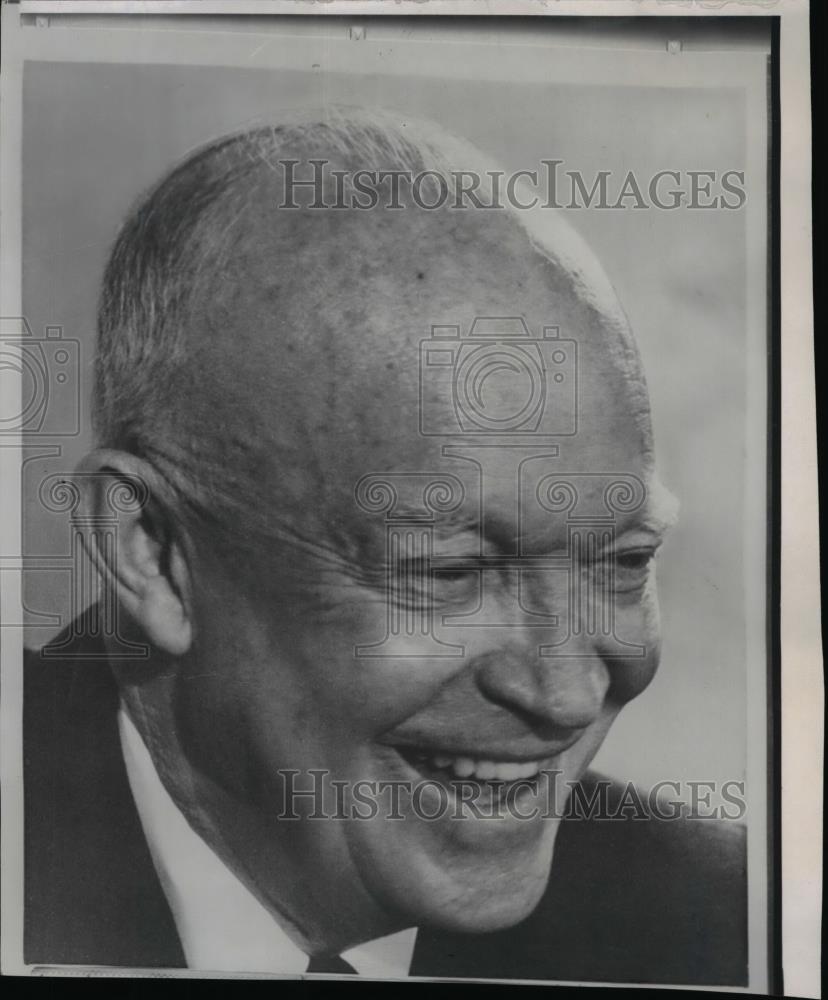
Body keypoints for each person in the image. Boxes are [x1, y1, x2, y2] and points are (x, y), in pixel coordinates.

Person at [24, 108, 746, 983]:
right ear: (153, 551)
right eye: (453, 572)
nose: (566, 694)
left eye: (623, 561)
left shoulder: (718, 930)